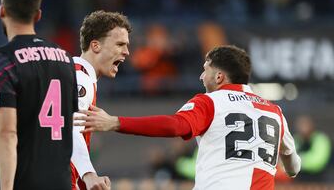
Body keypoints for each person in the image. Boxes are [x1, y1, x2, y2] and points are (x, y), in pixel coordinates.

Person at [74, 46, 301, 189]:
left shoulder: (211, 101)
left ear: (219, 76)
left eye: (206, 69)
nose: (202, 76)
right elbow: (293, 166)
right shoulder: (275, 112)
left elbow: (176, 126)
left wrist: (115, 122)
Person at [0, 0, 78, 189]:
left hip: (21, 182)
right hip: (60, 183)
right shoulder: (66, 59)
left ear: (2, 11)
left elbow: (6, 133)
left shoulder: (2, 60)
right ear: (38, 15)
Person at [70, 10, 131, 190]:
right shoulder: (80, 77)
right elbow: (70, 127)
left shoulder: (71, 72)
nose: (127, 52)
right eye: (120, 44)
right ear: (95, 46)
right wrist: (89, 175)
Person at [294, 115, 332, 181]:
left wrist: (297, 160)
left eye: (305, 125)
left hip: (319, 179)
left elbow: (317, 161)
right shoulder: (297, 139)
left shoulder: (320, 139)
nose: (302, 128)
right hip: (300, 179)